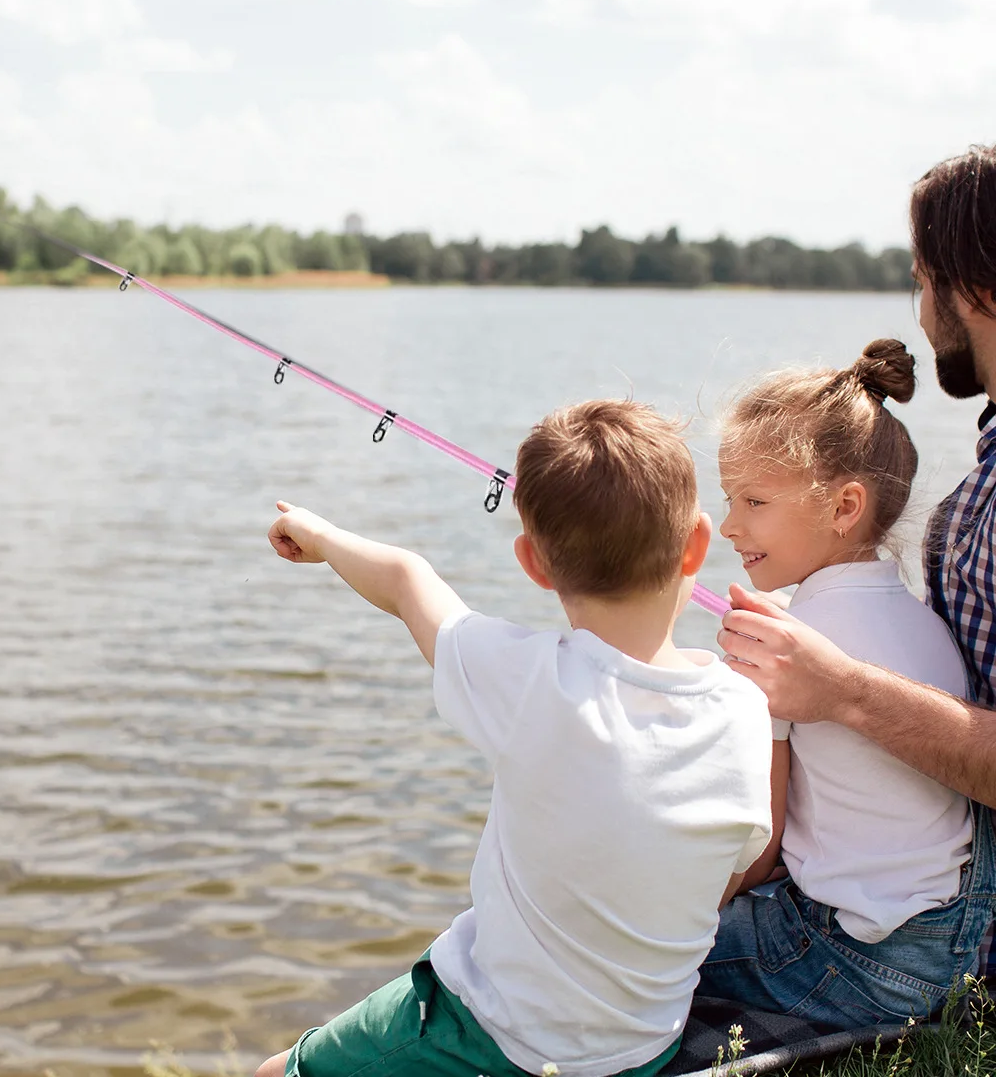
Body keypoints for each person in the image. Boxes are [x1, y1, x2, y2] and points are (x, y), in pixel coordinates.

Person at [255, 400, 773, 1077]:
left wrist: (318, 534)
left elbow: (409, 581)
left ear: (533, 563)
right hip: (643, 1048)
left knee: (276, 1073)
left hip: (493, 1033)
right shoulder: (742, 709)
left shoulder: (526, 677)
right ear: (697, 545)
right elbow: (734, 870)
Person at [715, 145, 996, 982]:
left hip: (899, 944)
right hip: (948, 905)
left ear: (976, 288)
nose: (919, 311)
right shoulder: (978, 474)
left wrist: (839, 688)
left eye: (922, 280)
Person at [698, 338, 984, 1026]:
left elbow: (759, 852)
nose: (731, 526)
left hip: (859, 962)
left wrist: (693, 908)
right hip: (956, 948)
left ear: (844, 506)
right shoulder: (924, 618)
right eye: (729, 500)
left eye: (755, 501)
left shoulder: (789, 649)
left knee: (635, 944)